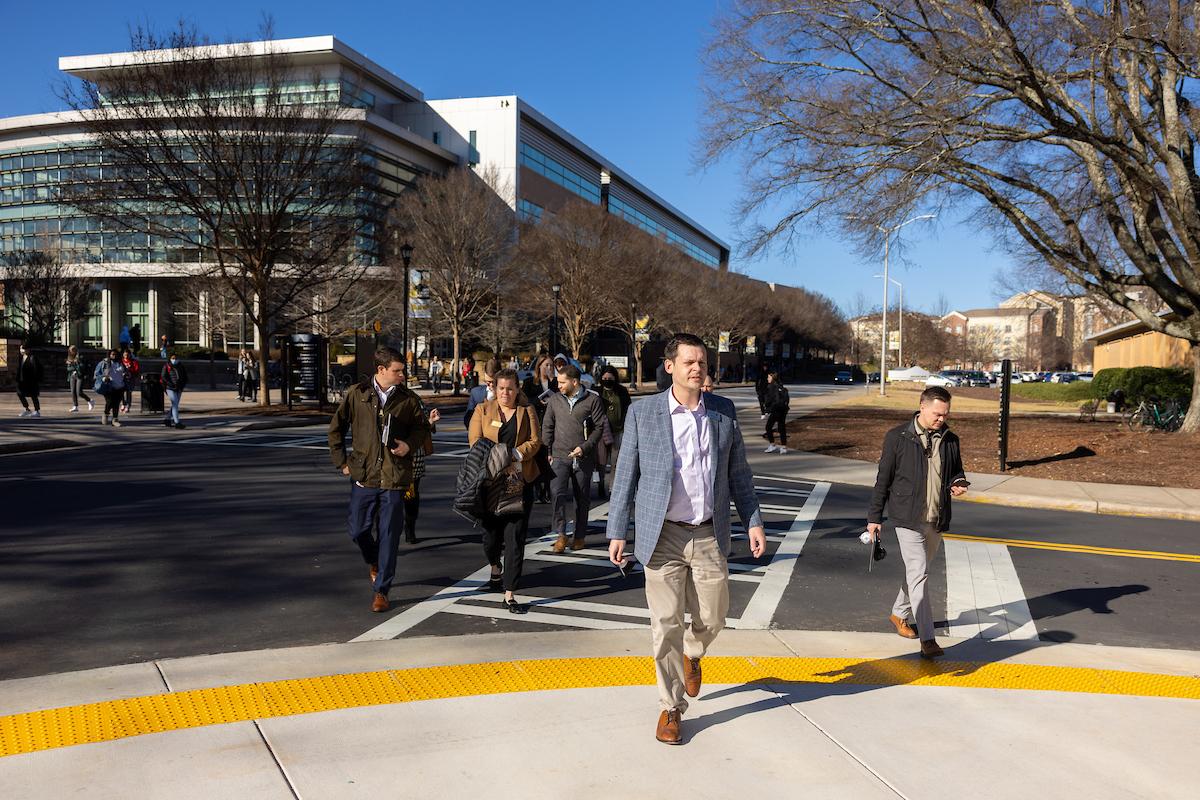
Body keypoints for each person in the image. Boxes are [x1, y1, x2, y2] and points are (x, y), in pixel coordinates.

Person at [606, 333, 766, 745]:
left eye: (703, 362)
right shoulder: (645, 414)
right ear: (670, 366)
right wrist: (617, 530)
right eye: (689, 362)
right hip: (662, 535)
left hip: (709, 532)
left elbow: (739, 474)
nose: (698, 368)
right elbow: (626, 475)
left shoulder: (722, 412)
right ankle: (670, 708)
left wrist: (753, 520)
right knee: (664, 624)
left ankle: (694, 653)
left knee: (713, 616)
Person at [867, 385, 970, 660]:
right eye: (937, 414)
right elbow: (883, 480)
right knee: (919, 573)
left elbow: (955, 470)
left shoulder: (950, 439)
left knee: (916, 573)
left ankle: (898, 614)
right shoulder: (897, 437)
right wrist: (874, 518)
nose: (942, 419)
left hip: (936, 517)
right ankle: (927, 639)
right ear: (922, 406)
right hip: (907, 517)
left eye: (946, 415)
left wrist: (958, 482)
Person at [328, 346, 431, 613]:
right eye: (397, 371)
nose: (402, 375)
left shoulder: (408, 399)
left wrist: (409, 445)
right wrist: (342, 462)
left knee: (389, 535)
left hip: (395, 477)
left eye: (402, 370)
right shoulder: (357, 394)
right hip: (364, 475)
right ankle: (374, 561)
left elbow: (421, 428)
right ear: (381, 370)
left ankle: (382, 590)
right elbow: (336, 428)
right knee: (358, 530)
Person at [468, 367, 542, 613]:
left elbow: (535, 440)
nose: (505, 393)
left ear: (517, 389)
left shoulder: (526, 410)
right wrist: (499, 458)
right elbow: (475, 442)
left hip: (519, 482)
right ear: (494, 388)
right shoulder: (482, 410)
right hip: (490, 482)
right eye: (501, 388)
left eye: (510, 388)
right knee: (490, 537)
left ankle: (509, 592)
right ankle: (494, 566)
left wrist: (517, 454)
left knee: (515, 538)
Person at [542, 363, 605, 552]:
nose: (558, 385)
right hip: (559, 456)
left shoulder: (592, 400)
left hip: (582, 458)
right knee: (557, 495)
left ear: (575, 382)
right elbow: (548, 426)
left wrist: (584, 447)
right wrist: (547, 452)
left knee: (582, 498)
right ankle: (561, 535)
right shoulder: (555, 400)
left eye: (562, 382)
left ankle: (579, 536)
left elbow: (600, 427)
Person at [404, 406, 440, 544]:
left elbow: (423, 428)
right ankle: (389, 529)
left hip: (413, 459)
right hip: (393, 457)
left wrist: (431, 421)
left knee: (410, 496)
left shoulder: (415, 401)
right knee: (390, 498)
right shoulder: (389, 401)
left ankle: (409, 527)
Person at [93, 349, 129, 427]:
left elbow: (125, 372)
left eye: (115, 354)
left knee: (116, 404)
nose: (114, 356)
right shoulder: (104, 363)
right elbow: (96, 374)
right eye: (112, 354)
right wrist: (103, 378)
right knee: (109, 402)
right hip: (109, 386)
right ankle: (106, 414)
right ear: (109, 355)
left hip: (120, 386)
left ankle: (115, 419)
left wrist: (126, 374)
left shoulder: (121, 363)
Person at [464, 359, 498, 429]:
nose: (491, 385)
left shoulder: (507, 395)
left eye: (494, 382)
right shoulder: (476, 393)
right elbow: (468, 418)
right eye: (488, 382)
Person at [763, 371, 790, 454]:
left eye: (769, 377)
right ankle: (784, 447)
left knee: (768, 427)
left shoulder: (771, 387)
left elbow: (769, 400)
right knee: (781, 428)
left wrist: (766, 409)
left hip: (776, 409)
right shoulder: (780, 386)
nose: (767, 379)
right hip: (783, 409)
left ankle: (772, 445)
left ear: (773, 378)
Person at [161, 353, 189, 429]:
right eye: (173, 358)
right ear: (170, 358)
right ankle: (177, 422)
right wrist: (170, 384)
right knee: (175, 403)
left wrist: (182, 385)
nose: (174, 360)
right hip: (170, 388)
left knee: (175, 404)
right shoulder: (167, 366)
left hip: (179, 388)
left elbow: (185, 376)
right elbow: (163, 377)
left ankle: (167, 419)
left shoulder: (181, 366)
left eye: (176, 358)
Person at [15, 342, 43, 418]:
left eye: (23, 349)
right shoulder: (21, 357)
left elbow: (36, 369)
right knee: (19, 393)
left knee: (33, 395)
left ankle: (37, 411)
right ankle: (26, 409)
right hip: (21, 380)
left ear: (28, 350)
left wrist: (35, 379)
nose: (22, 350)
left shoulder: (32, 357)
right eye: (21, 349)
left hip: (31, 381)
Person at [66, 346, 94, 413]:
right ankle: (75, 406)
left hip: (79, 376)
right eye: (71, 350)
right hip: (72, 376)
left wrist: (76, 363)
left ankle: (90, 400)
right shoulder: (69, 358)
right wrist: (72, 365)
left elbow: (82, 367)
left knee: (79, 392)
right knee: (73, 391)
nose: (72, 352)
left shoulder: (80, 357)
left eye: (73, 350)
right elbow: (68, 368)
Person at [120, 348, 140, 414]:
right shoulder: (121, 361)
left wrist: (130, 372)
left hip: (130, 379)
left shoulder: (133, 362)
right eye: (125, 354)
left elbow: (137, 370)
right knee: (121, 392)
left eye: (127, 354)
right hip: (121, 379)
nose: (126, 355)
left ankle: (128, 405)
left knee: (129, 392)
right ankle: (123, 403)